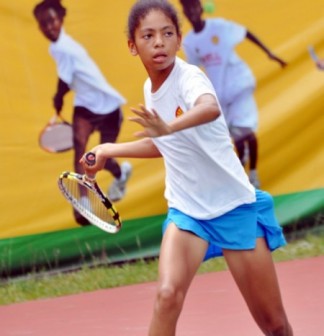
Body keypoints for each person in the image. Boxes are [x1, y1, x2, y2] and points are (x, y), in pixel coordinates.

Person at [80, 0, 293, 335]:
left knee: (275, 325)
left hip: (233, 207)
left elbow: (208, 108)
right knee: (166, 296)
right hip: (188, 211)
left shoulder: (190, 77)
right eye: (148, 36)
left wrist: (169, 128)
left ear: (180, 40)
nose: (159, 42)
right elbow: (163, 143)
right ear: (132, 46)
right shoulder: (150, 90)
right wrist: (109, 148)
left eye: (167, 33)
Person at [33, 0, 132, 225]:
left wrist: (57, 98)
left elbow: (64, 82)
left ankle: (121, 174)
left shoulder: (64, 47)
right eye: (43, 24)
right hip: (85, 106)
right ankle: (85, 202)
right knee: (81, 149)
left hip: (109, 107)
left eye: (52, 21)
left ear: (61, 19)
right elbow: (67, 80)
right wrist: (59, 97)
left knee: (101, 158)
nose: (48, 27)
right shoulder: (55, 46)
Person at [179, 0, 287, 188]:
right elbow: (194, 69)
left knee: (244, 130)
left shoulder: (219, 27)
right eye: (187, 9)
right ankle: (243, 164)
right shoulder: (189, 42)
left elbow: (245, 32)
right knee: (235, 135)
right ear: (185, 13)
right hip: (221, 94)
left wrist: (269, 53)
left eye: (194, 7)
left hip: (240, 84)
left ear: (201, 8)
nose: (192, 12)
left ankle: (253, 173)